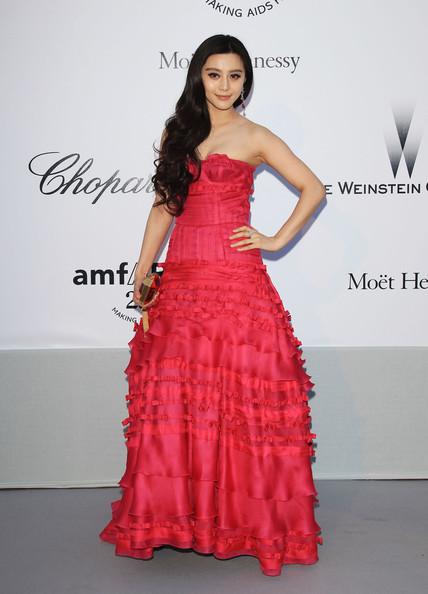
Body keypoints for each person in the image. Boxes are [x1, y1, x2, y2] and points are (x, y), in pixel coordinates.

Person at [99, 33, 325, 578]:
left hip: (237, 284)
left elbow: (313, 189)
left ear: (247, 81)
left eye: (236, 76)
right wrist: (143, 268)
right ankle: (180, 518)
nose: (225, 86)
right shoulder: (178, 133)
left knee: (241, 402)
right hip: (182, 283)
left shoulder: (255, 136)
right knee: (177, 402)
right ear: (198, 76)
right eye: (215, 74)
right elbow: (163, 207)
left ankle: (244, 521)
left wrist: (272, 238)